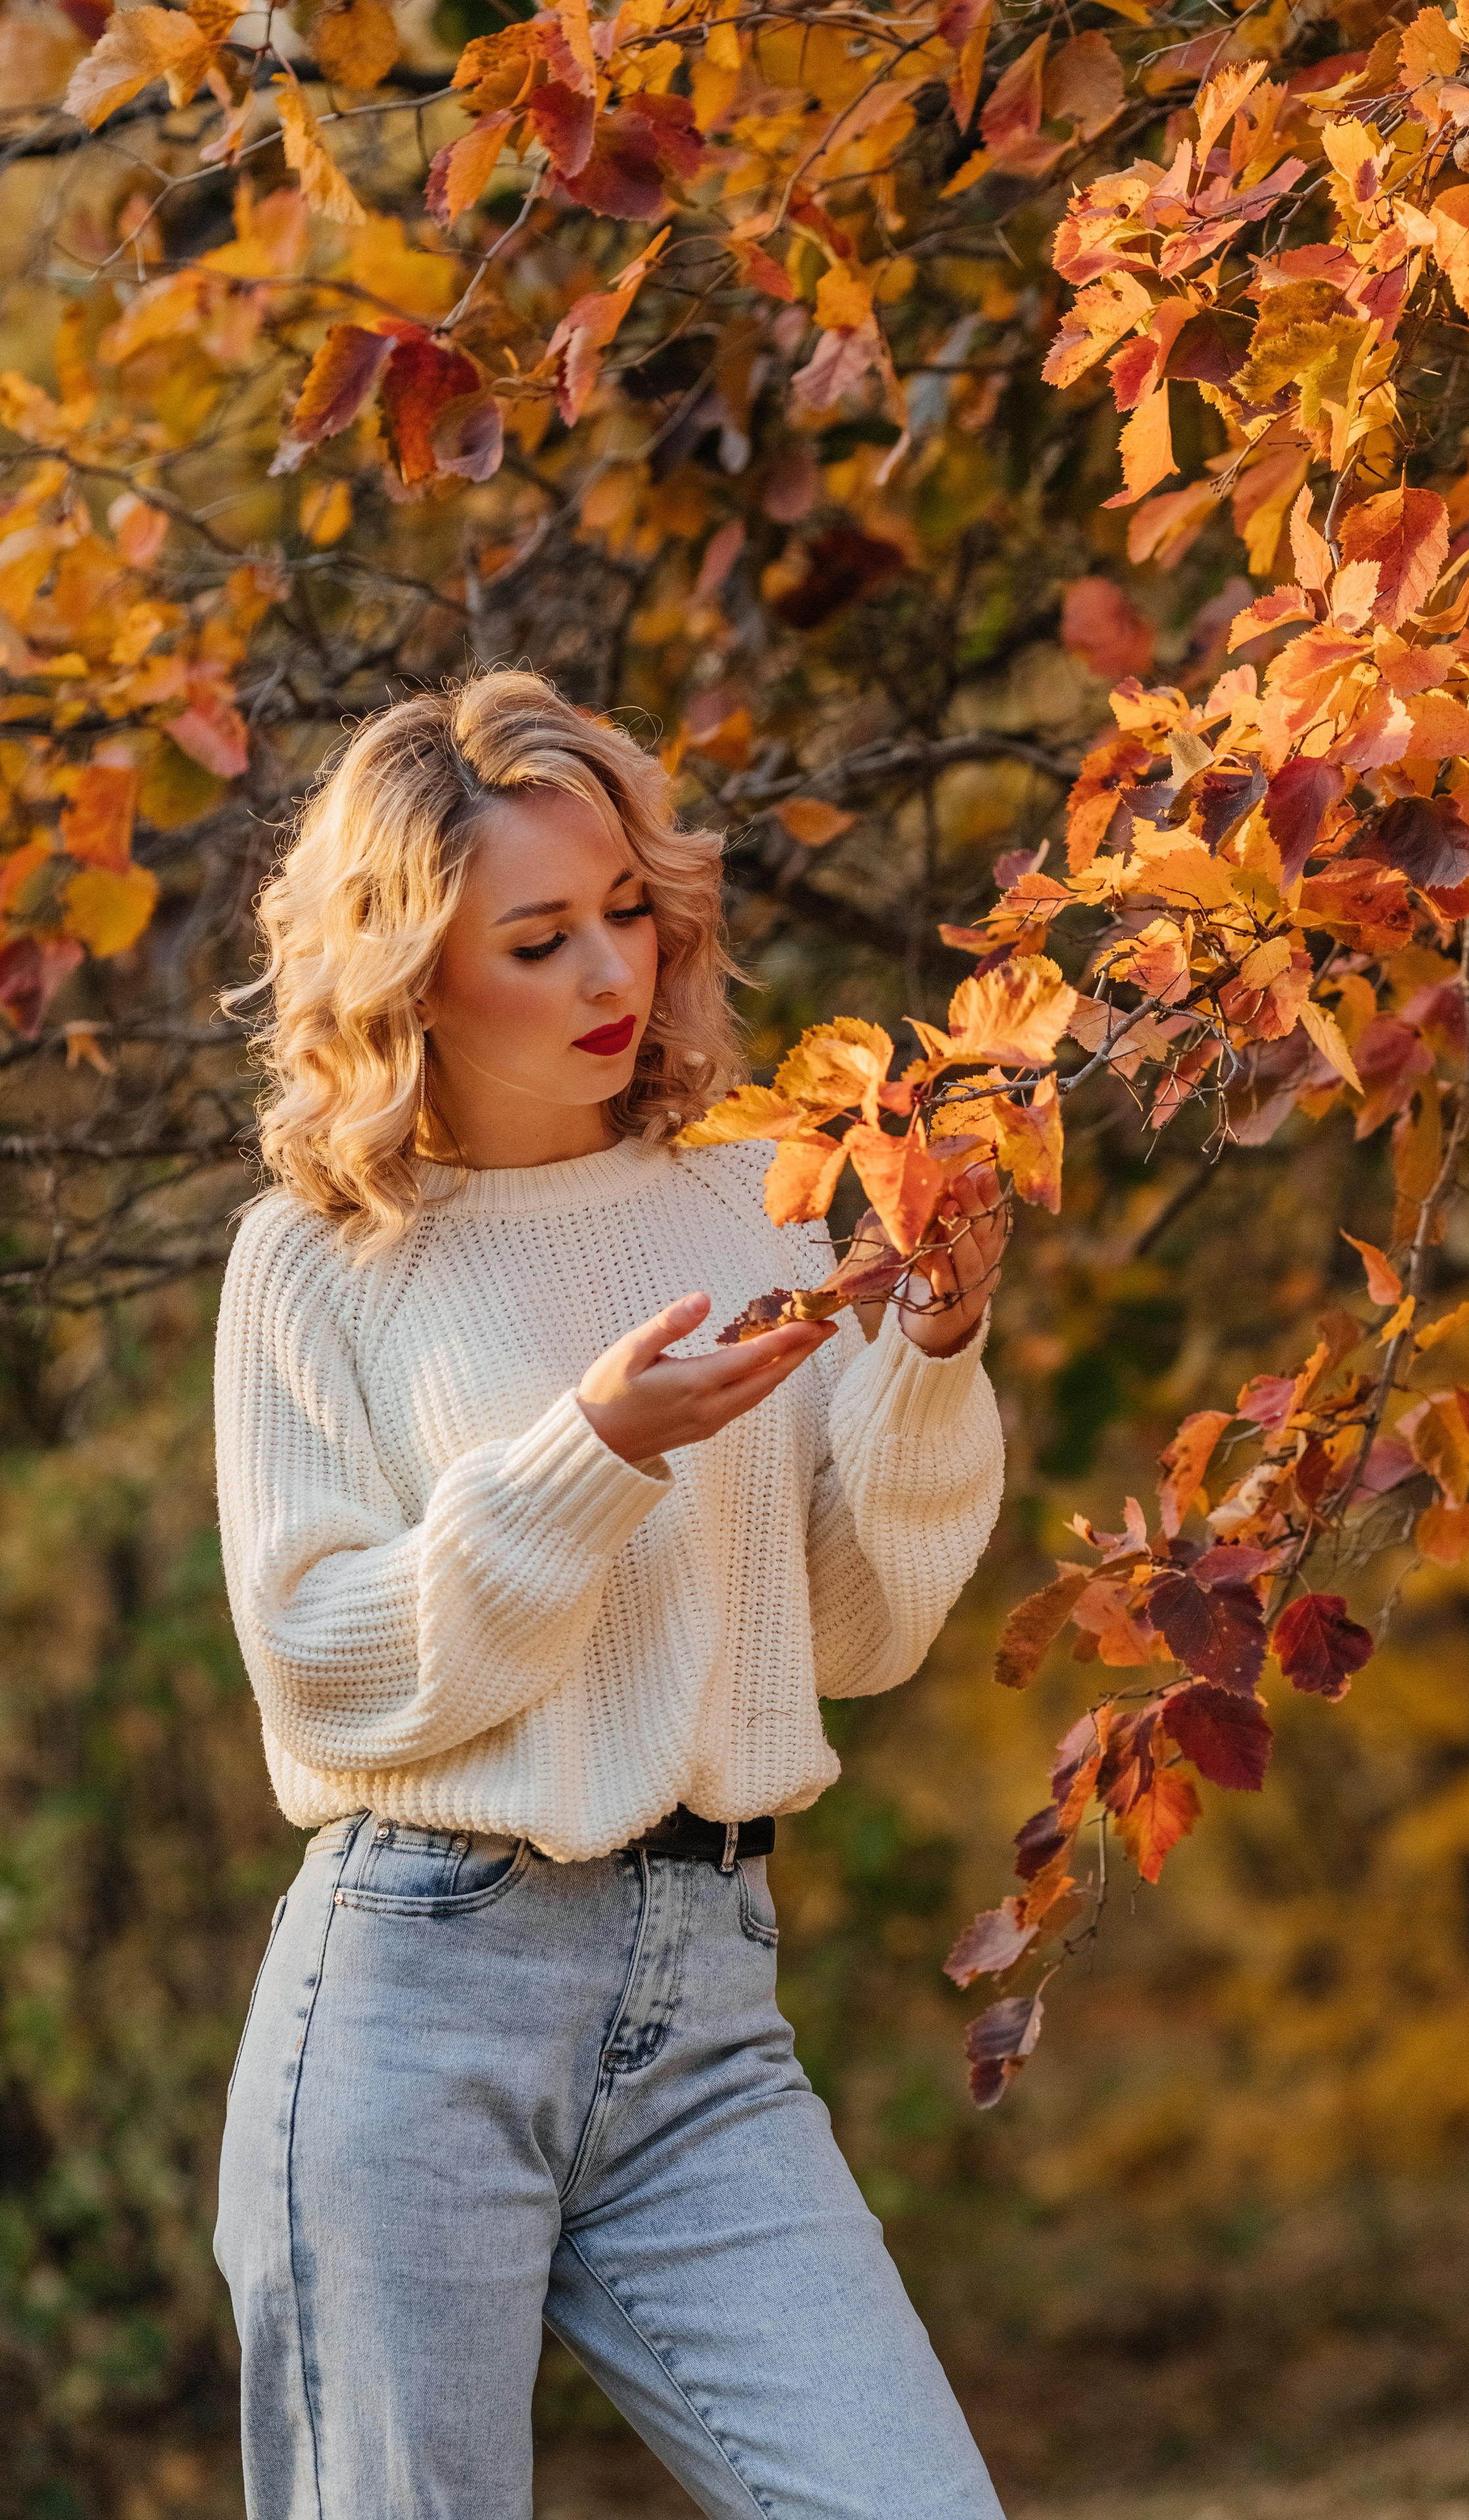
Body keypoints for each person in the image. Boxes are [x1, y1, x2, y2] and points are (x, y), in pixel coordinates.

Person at [211, 669, 1012, 2520]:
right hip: (419, 1994)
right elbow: (327, 1674)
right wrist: (591, 1454)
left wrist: (933, 1349)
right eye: (541, 936)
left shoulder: (763, 1203)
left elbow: (858, 1637)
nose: (609, 977)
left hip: (708, 2002)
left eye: (629, 912)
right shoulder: (320, 1263)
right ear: (411, 969)